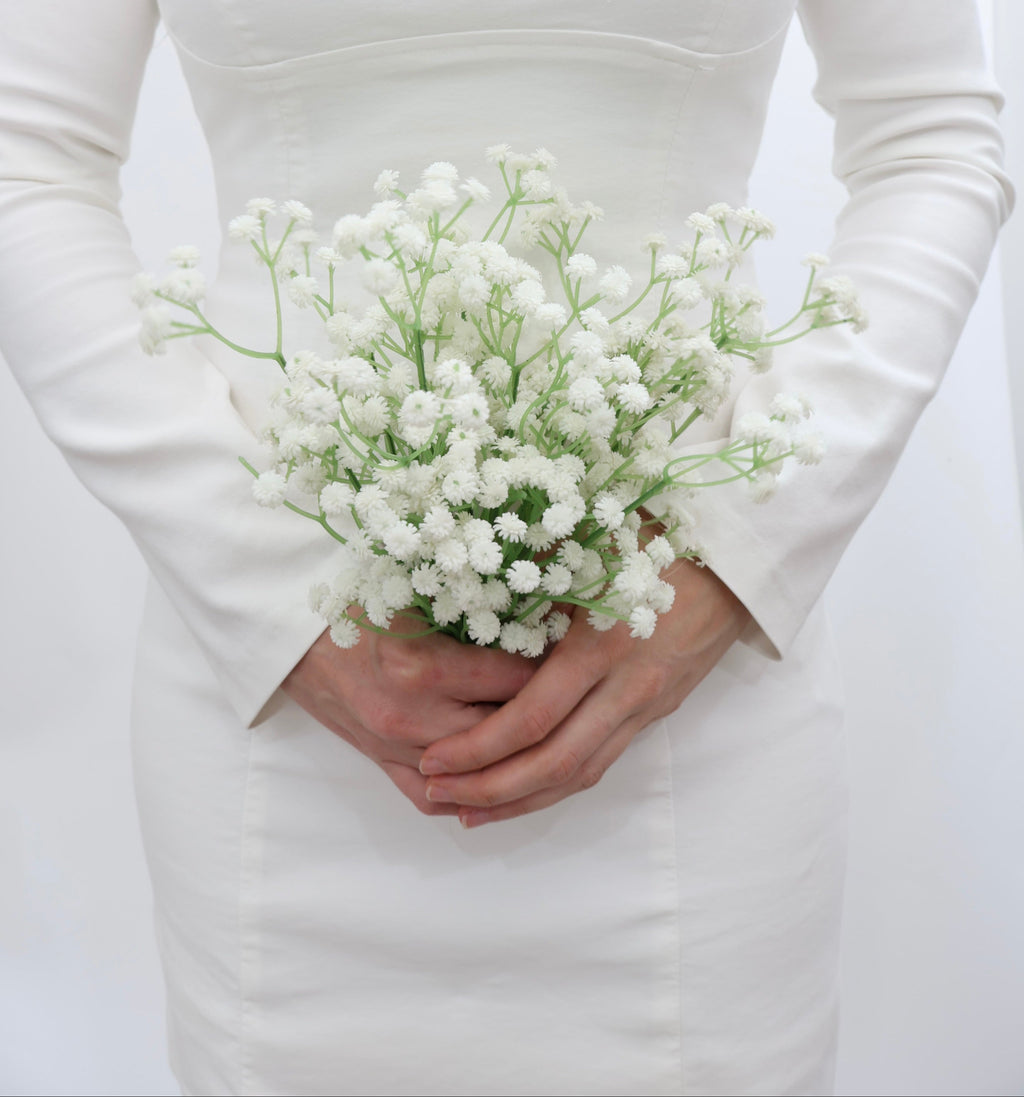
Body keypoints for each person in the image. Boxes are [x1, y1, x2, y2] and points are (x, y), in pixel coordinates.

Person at [0, 2, 1011, 1094]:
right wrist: (275, 599)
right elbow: (26, 149)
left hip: (689, 718)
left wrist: (734, 550)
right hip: (289, 732)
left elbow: (932, 133)